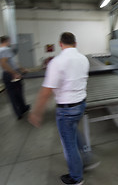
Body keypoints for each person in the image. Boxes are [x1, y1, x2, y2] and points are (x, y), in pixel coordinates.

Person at [28, 32, 99, 185]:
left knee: (69, 144)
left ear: (60, 44)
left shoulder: (57, 62)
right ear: (75, 43)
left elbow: (46, 91)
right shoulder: (83, 59)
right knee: (74, 132)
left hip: (66, 109)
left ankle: (76, 177)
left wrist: (36, 113)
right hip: (81, 104)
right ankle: (88, 159)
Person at [0, 36, 30, 119]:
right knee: (18, 92)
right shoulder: (6, 49)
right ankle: (21, 109)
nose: (9, 43)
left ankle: (20, 111)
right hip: (11, 74)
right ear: (6, 41)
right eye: (9, 41)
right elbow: (4, 63)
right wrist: (14, 73)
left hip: (5, 74)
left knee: (12, 94)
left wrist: (22, 69)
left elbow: (12, 62)